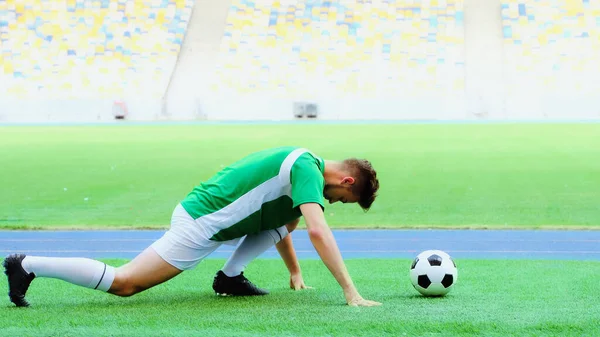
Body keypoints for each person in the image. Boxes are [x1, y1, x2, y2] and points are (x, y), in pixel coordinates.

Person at [4, 146, 381, 307]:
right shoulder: (306, 169)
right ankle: (28, 264)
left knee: (291, 216)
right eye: (341, 199)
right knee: (126, 284)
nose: (333, 204)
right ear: (347, 182)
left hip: (209, 218)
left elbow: (291, 221)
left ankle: (230, 277)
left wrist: (295, 271)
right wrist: (351, 291)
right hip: (200, 223)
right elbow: (319, 231)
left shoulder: (305, 164)